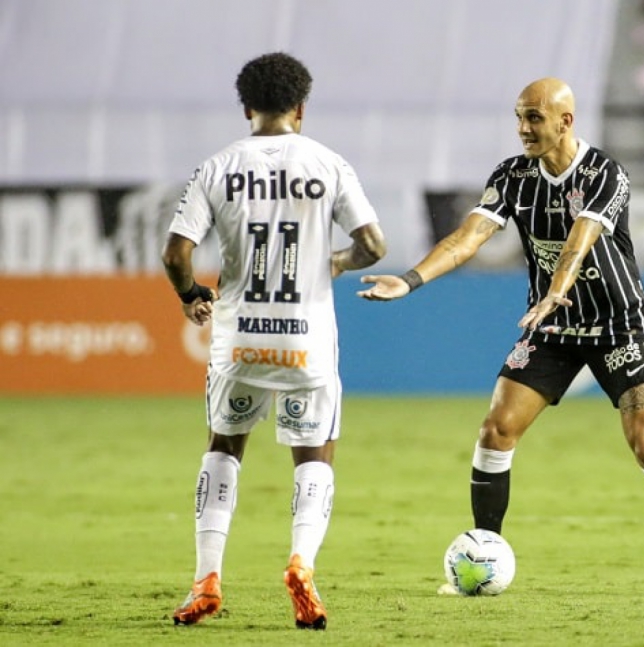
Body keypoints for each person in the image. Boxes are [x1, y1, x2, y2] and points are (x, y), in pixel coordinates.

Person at [357, 77, 644, 597]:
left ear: (566, 121)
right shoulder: (513, 177)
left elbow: (582, 236)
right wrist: (411, 279)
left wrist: (558, 288)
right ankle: (482, 554)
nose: (523, 129)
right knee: (496, 430)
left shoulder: (605, 172)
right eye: (518, 117)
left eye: (534, 117)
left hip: (616, 324)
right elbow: (469, 237)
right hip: (551, 327)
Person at [162, 51, 387, 630]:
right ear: (301, 107)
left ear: (246, 107)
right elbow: (374, 246)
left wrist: (191, 295)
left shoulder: (218, 167)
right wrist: (331, 262)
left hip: (238, 342)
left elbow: (176, 253)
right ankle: (301, 566)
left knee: (223, 447)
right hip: (306, 343)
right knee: (314, 456)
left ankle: (206, 579)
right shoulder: (329, 163)